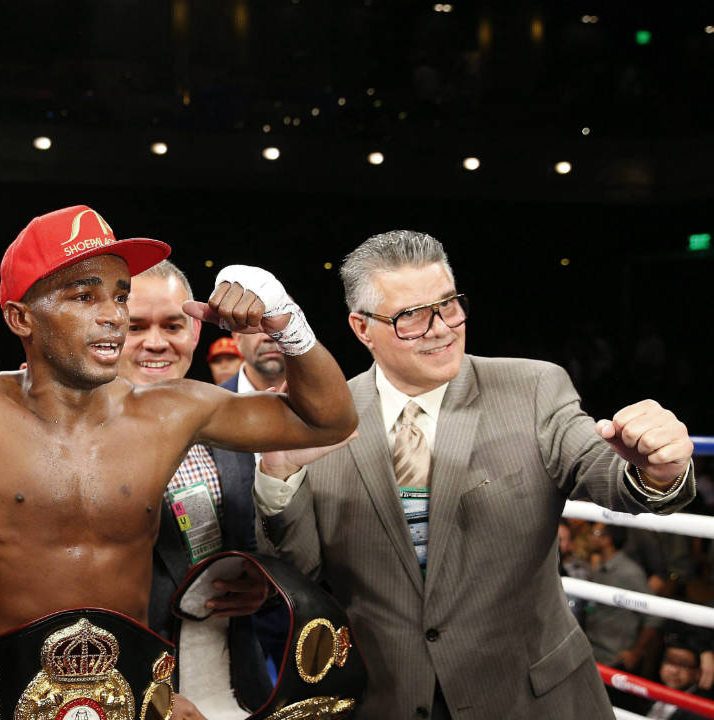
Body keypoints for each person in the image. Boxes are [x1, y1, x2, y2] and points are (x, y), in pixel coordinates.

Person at [0, 205, 357, 717]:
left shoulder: (167, 411)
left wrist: (288, 324)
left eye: (119, 295)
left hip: (134, 700)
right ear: (20, 317)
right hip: (5, 699)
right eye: (84, 296)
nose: (113, 314)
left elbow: (327, 422)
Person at [256, 229, 696, 719]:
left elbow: (602, 469)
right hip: (390, 700)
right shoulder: (325, 416)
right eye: (411, 316)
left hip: (532, 699)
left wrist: (658, 470)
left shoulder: (532, 387)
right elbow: (302, 572)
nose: (441, 328)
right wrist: (278, 477)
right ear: (362, 329)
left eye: (448, 304)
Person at [119, 259, 274, 716]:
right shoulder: (73, 440)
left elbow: (254, 546)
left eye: (172, 325)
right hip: (136, 692)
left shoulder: (230, 422)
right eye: (136, 326)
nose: (156, 342)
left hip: (238, 686)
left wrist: (262, 585)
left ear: (194, 331)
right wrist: (150, 692)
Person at [585, 523, 663, 672]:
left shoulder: (629, 572)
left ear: (607, 540)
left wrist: (636, 652)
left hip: (615, 659)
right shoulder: (600, 566)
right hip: (593, 653)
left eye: (594, 533)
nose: (589, 537)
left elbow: (655, 615)